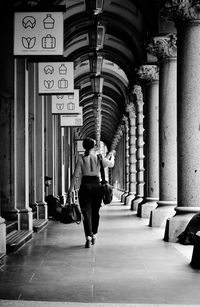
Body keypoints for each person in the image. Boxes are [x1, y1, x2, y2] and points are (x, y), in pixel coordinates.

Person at [67, 137, 115, 248]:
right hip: (97, 186)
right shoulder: (98, 157)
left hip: (85, 186)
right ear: (94, 146)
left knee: (86, 213)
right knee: (95, 212)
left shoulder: (82, 159)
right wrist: (111, 155)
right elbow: (110, 164)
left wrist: (70, 190)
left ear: (84, 146)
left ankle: (88, 236)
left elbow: (75, 175)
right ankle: (94, 235)